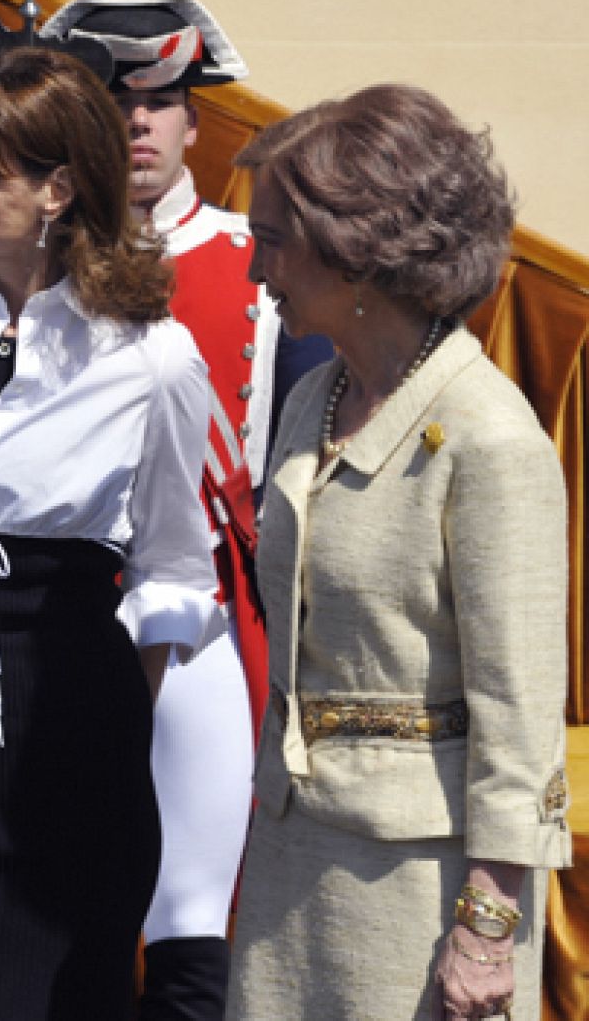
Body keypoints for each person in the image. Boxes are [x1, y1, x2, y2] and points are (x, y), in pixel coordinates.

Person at [0, 45, 219, 1019]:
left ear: (56, 187)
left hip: (76, 744)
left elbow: (175, 574)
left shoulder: (153, 358)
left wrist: (104, 722)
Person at [228, 83, 572, 1020]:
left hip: (426, 890)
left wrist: (488, 929)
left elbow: (521, 715)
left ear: (357, 250)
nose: (256, 267)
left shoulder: (489, 439)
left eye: (271, 239)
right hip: (294, 863)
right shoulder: (315, 401)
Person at [42, 0, 327, 1015]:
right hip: (60, 613)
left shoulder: (265, 267)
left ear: (196, 122)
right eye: (113, 100)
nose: (136, 123)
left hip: (216, 618)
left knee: (194, 919)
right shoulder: (30, 262)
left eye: (159, 101)